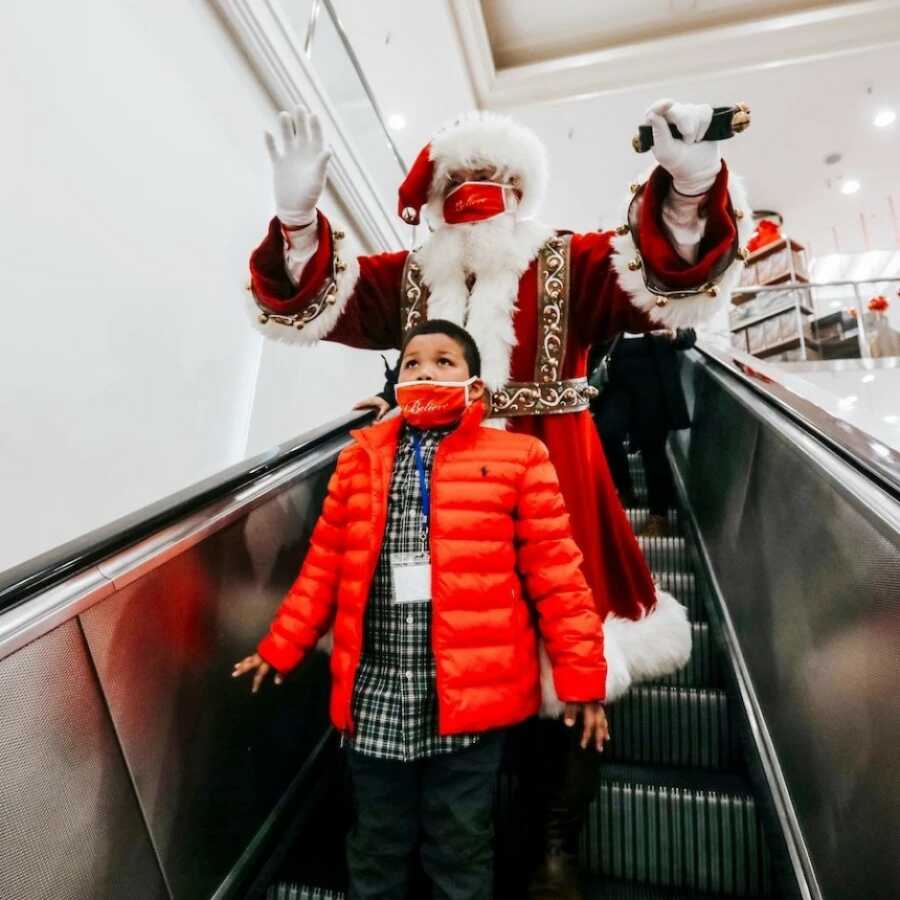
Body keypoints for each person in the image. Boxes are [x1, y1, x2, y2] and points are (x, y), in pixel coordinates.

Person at [245, 100, 753, 894]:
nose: (481, 193)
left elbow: (661, 276)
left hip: (557, 487)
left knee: (571, 655)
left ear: (523, 190)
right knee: (446, 649)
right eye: (464, 180)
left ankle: (553, 842)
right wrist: (297, 218)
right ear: (438, 194)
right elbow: (314, 304)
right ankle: (441, 840)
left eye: (500, 179)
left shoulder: (569, 264)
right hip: (432, 506)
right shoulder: (410, 279)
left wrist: (689, 192)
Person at [233, 320, 610, 900]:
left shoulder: (517, 458)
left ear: (474, 383)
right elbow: (323, 565)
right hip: (375, 697)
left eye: (444, 362)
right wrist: (282, 646)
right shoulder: (360, 461)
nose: (426, 372)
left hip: (470, 703)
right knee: (377, 841)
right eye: (413, 363)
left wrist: (582, 681)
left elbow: (559, 577)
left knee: (459, 843)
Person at [590, 328, 697, 537]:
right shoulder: (617, 310)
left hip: (654, 386)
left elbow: (689, 337)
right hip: (617, 387)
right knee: (606, 433)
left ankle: (659, 516)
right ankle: (625, 490)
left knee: (653, 447)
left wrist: (674, 333)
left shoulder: (661, 304)